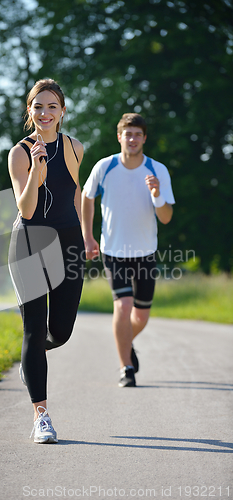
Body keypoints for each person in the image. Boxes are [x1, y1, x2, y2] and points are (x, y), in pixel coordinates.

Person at [8, 79, 85, 443]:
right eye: (38, 106)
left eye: (52, 106)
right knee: (33, 328)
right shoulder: (20, 153)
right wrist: (36, 173)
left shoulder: (74, 148)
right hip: (29, 241)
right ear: (29, 111)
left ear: (63, 111)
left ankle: (30, 361)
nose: (45, 113)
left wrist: (87, 235)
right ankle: (41, 416)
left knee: (62, 331)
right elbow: (26, 209)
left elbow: (75, 195)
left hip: (68, 242)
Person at [81, 113, 175, 387]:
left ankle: (125, 342)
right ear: (119, 136)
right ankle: (126, 367)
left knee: (141, 316)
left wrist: (157, 194)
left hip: (145, 251)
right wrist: (87, 237)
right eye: (127, 133)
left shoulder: (157, 170)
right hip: (114, 250)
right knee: (123, 306)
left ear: (144, 138)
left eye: (137, 134)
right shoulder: (105, 166)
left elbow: (166, 217)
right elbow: (87, 197)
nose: (132, 139)